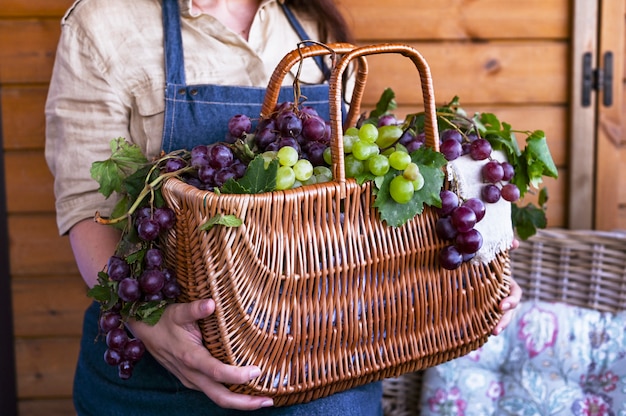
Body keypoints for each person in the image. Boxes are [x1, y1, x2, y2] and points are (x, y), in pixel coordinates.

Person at [44, 0, 523, 415]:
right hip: (164, 369)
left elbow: (355, 203)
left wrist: (475, 262)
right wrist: (146, 321)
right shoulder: (101, 23)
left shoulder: (314, 24)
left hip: (324, 350)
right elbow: (89, 207)